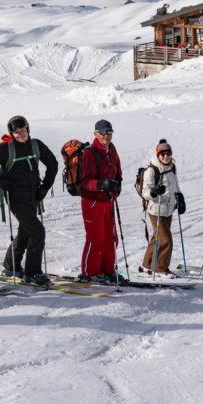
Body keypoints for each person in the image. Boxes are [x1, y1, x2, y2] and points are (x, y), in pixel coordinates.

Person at [0, 115, 58, 285]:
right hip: (15, 198)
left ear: (27, 129)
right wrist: (0, 182)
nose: (20, 134)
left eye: (22, 131)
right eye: (16, 132)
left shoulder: (37, 145)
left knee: (25, 232)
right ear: (12, 134)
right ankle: (32, 272)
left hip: (33, 197)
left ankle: (10, 267)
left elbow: (53, 163)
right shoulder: (7, 149)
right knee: (37, 231)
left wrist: (45, 187)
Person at [78, 119, 124, 283]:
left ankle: (107, 270)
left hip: (108, 200)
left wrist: (117, 184)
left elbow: (117, 170)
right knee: (95, 238)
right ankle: (89, 272)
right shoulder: (90, 153)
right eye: (103, 132)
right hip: (92, 201)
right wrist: (102, 184)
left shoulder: (111, 149)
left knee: (111, 238)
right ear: (95, 134)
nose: (106, 135)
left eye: (109, 132)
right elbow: (85, 182)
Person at [139, 139, 186, 274]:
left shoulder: (172, 167)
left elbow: (175, 185)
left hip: (169, 209)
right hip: (156, 210)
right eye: (163, 154)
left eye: (168, 154)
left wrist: (180, 198)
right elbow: (145, 192)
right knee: (166, 240)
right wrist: (154, 192)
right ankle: (160, 269)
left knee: (157, 237)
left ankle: (147, 265)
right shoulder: (152, 170)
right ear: (158, 155)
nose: (166, 156)